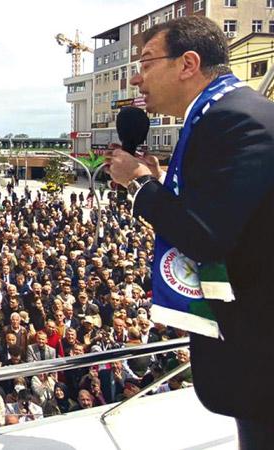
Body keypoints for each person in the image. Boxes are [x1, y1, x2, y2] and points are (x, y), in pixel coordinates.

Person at [106, 16, 274, 446]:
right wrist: (162, 186)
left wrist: (139, 183)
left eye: (146, 61)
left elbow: (206, 237)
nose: (136, 77)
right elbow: (236, 215)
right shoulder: (223, 113)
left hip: (260, 351)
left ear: (187, 63)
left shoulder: (233, 120)